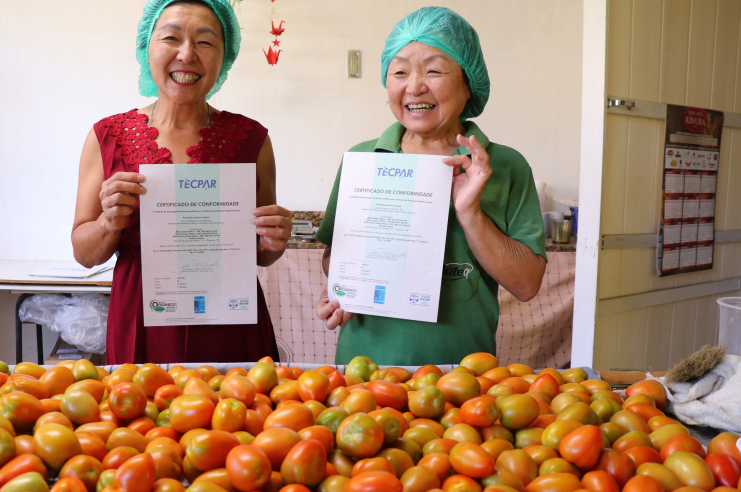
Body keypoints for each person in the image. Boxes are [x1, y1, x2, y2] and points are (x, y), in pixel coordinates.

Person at [315, 6, 546, 366]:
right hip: (363, 369)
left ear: (469, 83)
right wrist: (345, 290)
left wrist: (469, 213)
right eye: (400, 71)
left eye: (434, 70)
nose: (414, 86)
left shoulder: (504, 166)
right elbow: (334, 256)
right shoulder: (362, 160)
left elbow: (527, 285)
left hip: (461, 377)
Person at [72, 0, 291, 365]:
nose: (186, 54)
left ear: (225, 56)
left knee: (235, 418)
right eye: (171, 37)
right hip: (143, 318)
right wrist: (109, 222)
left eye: (205, 42)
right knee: (143, 421)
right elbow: (83, 253)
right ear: (147, 47)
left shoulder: (252, 139)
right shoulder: (107, 136)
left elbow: (261, 252)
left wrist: (275, 240)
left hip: (229, 321)